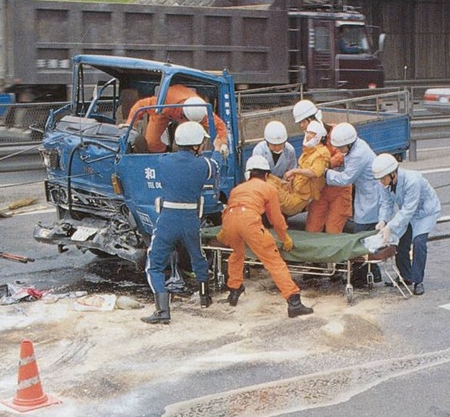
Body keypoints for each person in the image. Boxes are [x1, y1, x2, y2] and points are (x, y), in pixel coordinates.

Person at [217, 155, 313, 318]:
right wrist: (284, 238)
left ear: (249, 174)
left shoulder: (237, 189)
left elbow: (230, 210)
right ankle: (293, 301)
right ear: (267, 175)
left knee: (236, 255)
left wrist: (225, 232)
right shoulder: (269, 189)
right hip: (249, 221)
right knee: (274, 262)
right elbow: (276, 219)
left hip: (229, 221)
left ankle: (234, 291)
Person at [142, 121, 219, 325]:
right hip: (191, 219)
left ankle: (162, 310)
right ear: (196, 145)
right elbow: (217, 166)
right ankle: (205, 296)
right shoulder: (206, 164)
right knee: (197, 257)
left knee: (155, 264)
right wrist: (218, 151)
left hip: (167, 218)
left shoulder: (164, 161)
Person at [372, 154, 441, 296]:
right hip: (408, 213)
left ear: (393, 174)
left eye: (383, 178)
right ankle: (406, 275)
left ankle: (418, 281)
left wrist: (390, 227)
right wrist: (383, 221)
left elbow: (409, 209)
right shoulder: (385, 184)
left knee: (419, 242)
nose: (381, 182)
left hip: (425, 212)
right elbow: (386, 203)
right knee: (401, 243)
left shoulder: (412, 180)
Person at [325, 122, 383, 284]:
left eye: (341, 148)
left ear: (349, 144)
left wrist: (325, 174)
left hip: (371, 198)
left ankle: (362, 275)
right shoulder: (356, 147)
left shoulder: (359, 154)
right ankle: (370, 273)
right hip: (367, 195)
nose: (340, 152)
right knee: (366, 236)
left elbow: (346, 178)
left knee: (361, 236)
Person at [294, 100, 353, 234]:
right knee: (312, 229)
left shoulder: (337, 132)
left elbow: (342, 155)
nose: (302, 127)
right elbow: (306, 161)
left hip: (339, 189)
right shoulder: (308, 140)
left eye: (303, 122)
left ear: (312, 118)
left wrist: (322, 164)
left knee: (333, 230)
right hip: (319, 190)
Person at [125, 85, 228, 153]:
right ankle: (166, 153)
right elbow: (140, 105)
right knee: (152, 143)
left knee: (192, 142)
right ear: (184, 115)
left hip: (183, 111)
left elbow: (220, 126)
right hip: (165, 113)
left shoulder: (201, 110)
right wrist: (129, 125)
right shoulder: (164, 104)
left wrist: (223, 143)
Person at [268, 120, 331, 216]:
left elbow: (315, 172)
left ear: (319, 137)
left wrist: (294, 171)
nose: (308, 135)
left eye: (312, 133)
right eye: (308, 132)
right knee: (267, 178)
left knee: (270, 188)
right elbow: (302, 171)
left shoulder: (323, 153)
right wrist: (293, 178)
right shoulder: (308, 151)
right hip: (293, 189)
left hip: (301, 197)